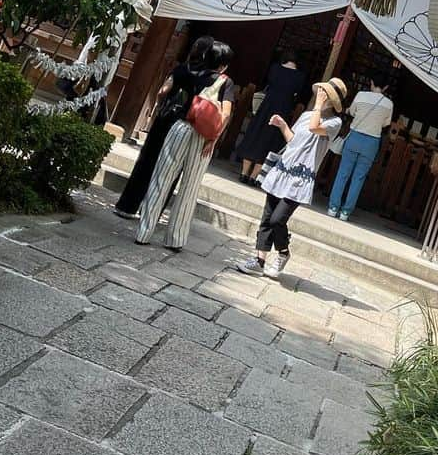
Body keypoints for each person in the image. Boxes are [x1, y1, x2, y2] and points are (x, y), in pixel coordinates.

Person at [235, 76, 347, 279]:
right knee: (267, 217)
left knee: (278, 219)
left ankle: (283, 252)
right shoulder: (306, 115)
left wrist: (319, 106)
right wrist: (282, 125)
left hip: (300, 177)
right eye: (321, 93)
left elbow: (315, 128)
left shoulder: (334, 122)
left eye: (326, 95)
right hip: (283, 169)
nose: (321, 97)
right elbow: (294, 141)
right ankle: (259, 260)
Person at [136, 39, 235, 252]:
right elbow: (226, 114)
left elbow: (167, 89)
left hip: (180, 127)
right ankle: (175, 239)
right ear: (224, 64)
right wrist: (214, 139)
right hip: (203, 137)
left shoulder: (191, 72)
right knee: (190, 186)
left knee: (161, 178)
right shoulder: (226, 82)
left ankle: (144, 231)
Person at [114, 35, 223, 220]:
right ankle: (152, 212)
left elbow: (162, 91)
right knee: (170, 169)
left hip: (165, 119)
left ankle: (127, 205)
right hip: (185, 125)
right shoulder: (209, 78)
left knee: (146, 161)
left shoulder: (181, 69)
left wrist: (159, 106)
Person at [328, 72, 393, 220]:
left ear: (371, 82)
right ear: (386, 87)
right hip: (372, 142)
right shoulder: (389, 104)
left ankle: (333, 207)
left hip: (355, 136)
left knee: (343, 173)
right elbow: (386, 124)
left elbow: (351, 112)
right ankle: (345, 212)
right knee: (359, 178)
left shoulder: (361, 95)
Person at [235, 54, 305, 184]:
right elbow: (298, 94)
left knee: (254, 136)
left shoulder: (274, 68)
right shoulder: (300, 77)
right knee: (269, 142)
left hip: (265, 107)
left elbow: (266, 82)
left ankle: (244, 173)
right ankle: (254, 177)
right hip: (283, 110)